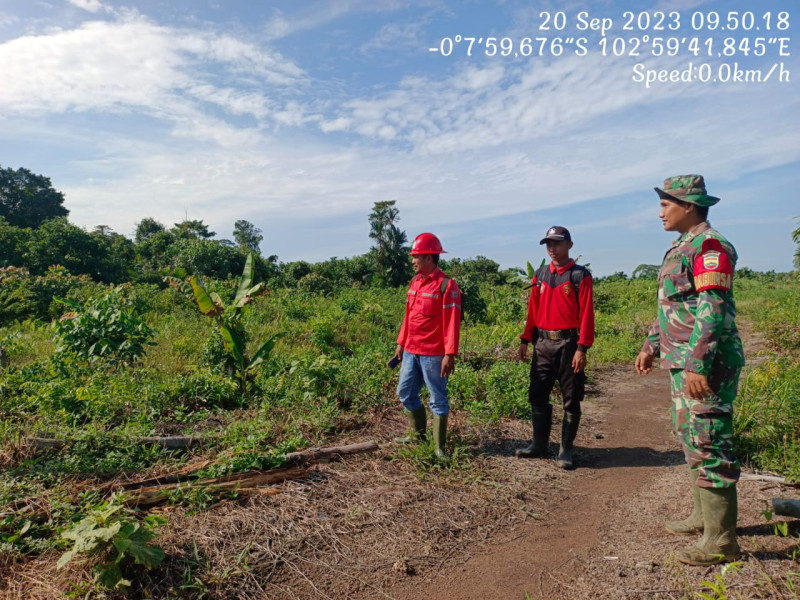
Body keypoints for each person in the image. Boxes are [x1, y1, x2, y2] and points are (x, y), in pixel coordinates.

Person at [635, 174, 745, 566]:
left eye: (666, 204)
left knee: (710, 441)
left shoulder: (709, 246)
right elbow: (673, 305)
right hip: (683, 361)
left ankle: (722, 542)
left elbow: (712, 308)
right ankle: (703, 517)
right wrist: (651, 344)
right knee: (691, 436)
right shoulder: (680, 247)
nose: (660, 212)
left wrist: (698, 363)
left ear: (689, 206)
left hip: (707, 365)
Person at [516, 226, 595, 469]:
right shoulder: (540, 275)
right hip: (542, 344)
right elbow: (533, 310)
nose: (552, 248)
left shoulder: (580, 276)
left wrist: (582, 348)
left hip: (568, 344)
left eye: (557, 243)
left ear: (569, 245)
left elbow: (587, 315)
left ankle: (565, 450)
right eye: (549, 244)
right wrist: (525, 340)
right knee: (537, 394)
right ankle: (539, 444)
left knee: (571, 397)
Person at [393, 232, 462, 459]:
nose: (413, 261)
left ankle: (439, 448)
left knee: (438, 399)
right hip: (411, 351)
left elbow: (452, 323)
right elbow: (408, 316)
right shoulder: (415, 282)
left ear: (429, 258)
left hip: (433, 354)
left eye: (416, 256)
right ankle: (418, 436)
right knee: (405, 393)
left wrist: (449, 354)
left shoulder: (446, 285)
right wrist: (401, 343)